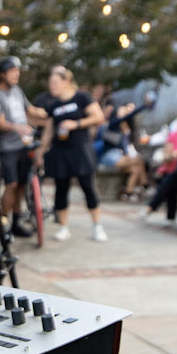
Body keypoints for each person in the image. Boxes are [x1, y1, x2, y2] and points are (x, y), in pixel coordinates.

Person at [35, 66, 107, 241]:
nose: (52, 86)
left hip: (80, 148)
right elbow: (49, 131)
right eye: (50, 83)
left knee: (88, 187)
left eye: (55, 82)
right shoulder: (53, 105)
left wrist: (77, 124)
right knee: (61, 189)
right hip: (61, 151)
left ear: (66, 80)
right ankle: (64, 227)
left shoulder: (81, 97)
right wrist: (40, 152)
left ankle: (97, 225)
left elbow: (98, 117)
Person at [0, 56, 39, 236]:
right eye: (12, 71)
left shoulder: (17, 91)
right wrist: (17, 127)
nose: (17, 75)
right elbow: (0, 123)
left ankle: (16, 222)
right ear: (2, 75)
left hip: (24, 144)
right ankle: (2, 225)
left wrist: (50, 112)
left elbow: (31, 110)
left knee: (21, 186)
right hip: (7, 146)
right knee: (11, 184)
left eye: (18, 71)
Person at [95, 96, 149, 199]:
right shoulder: (113, 124)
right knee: (139, 161)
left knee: (136, 168)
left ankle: (128, 193)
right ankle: (144, 185)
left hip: (119, 155)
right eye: (122, 111)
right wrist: (144, 106)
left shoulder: (125, 127)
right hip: (109, 156)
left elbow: (126, 145)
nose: (125, 113)